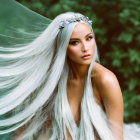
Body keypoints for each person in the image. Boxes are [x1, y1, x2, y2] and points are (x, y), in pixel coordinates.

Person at [0, 1, 140, 140]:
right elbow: (28, 128)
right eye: (75, 42)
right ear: (63, 47)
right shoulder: (52, 80)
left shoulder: (105, 80)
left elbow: (116, 137)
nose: (85, 48)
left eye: (89, 38)